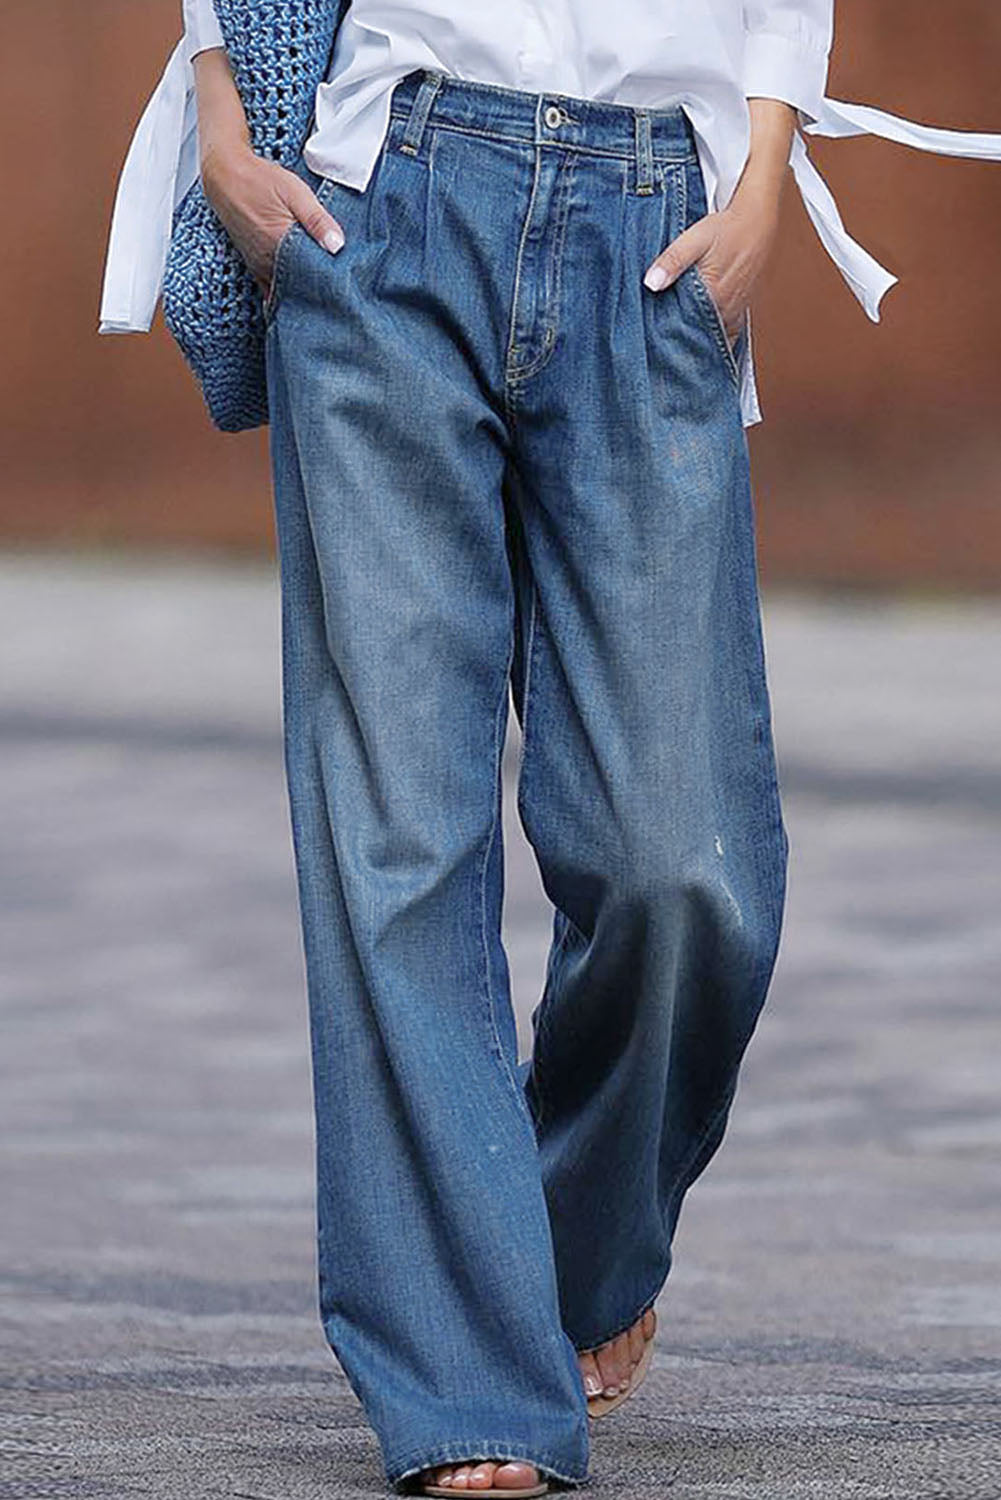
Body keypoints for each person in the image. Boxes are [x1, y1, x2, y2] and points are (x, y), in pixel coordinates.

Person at [98, 4, 1001, 1496]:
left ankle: (570, 1246)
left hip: (655, 222)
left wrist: (764, 175)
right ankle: (468, 1382)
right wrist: (220, 123)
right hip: (384, 197)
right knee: (396, 838)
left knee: (683, 862)